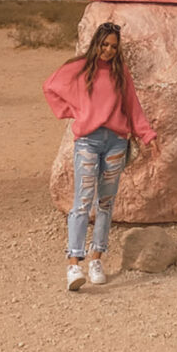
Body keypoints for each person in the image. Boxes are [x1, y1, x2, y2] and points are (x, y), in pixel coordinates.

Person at [42, 21, 158, 291]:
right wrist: (74, 111)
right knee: (82, 202)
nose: (108, 50)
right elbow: (50, 87)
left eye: (113, 47)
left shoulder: (120, 72)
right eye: (104, 45)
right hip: (88, 142)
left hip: (116, 142)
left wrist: (147, 135)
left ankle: (96, 259)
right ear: (96, 43)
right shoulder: (81, 67)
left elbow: (133, 107)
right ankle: (74, 264)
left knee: (105, 203)